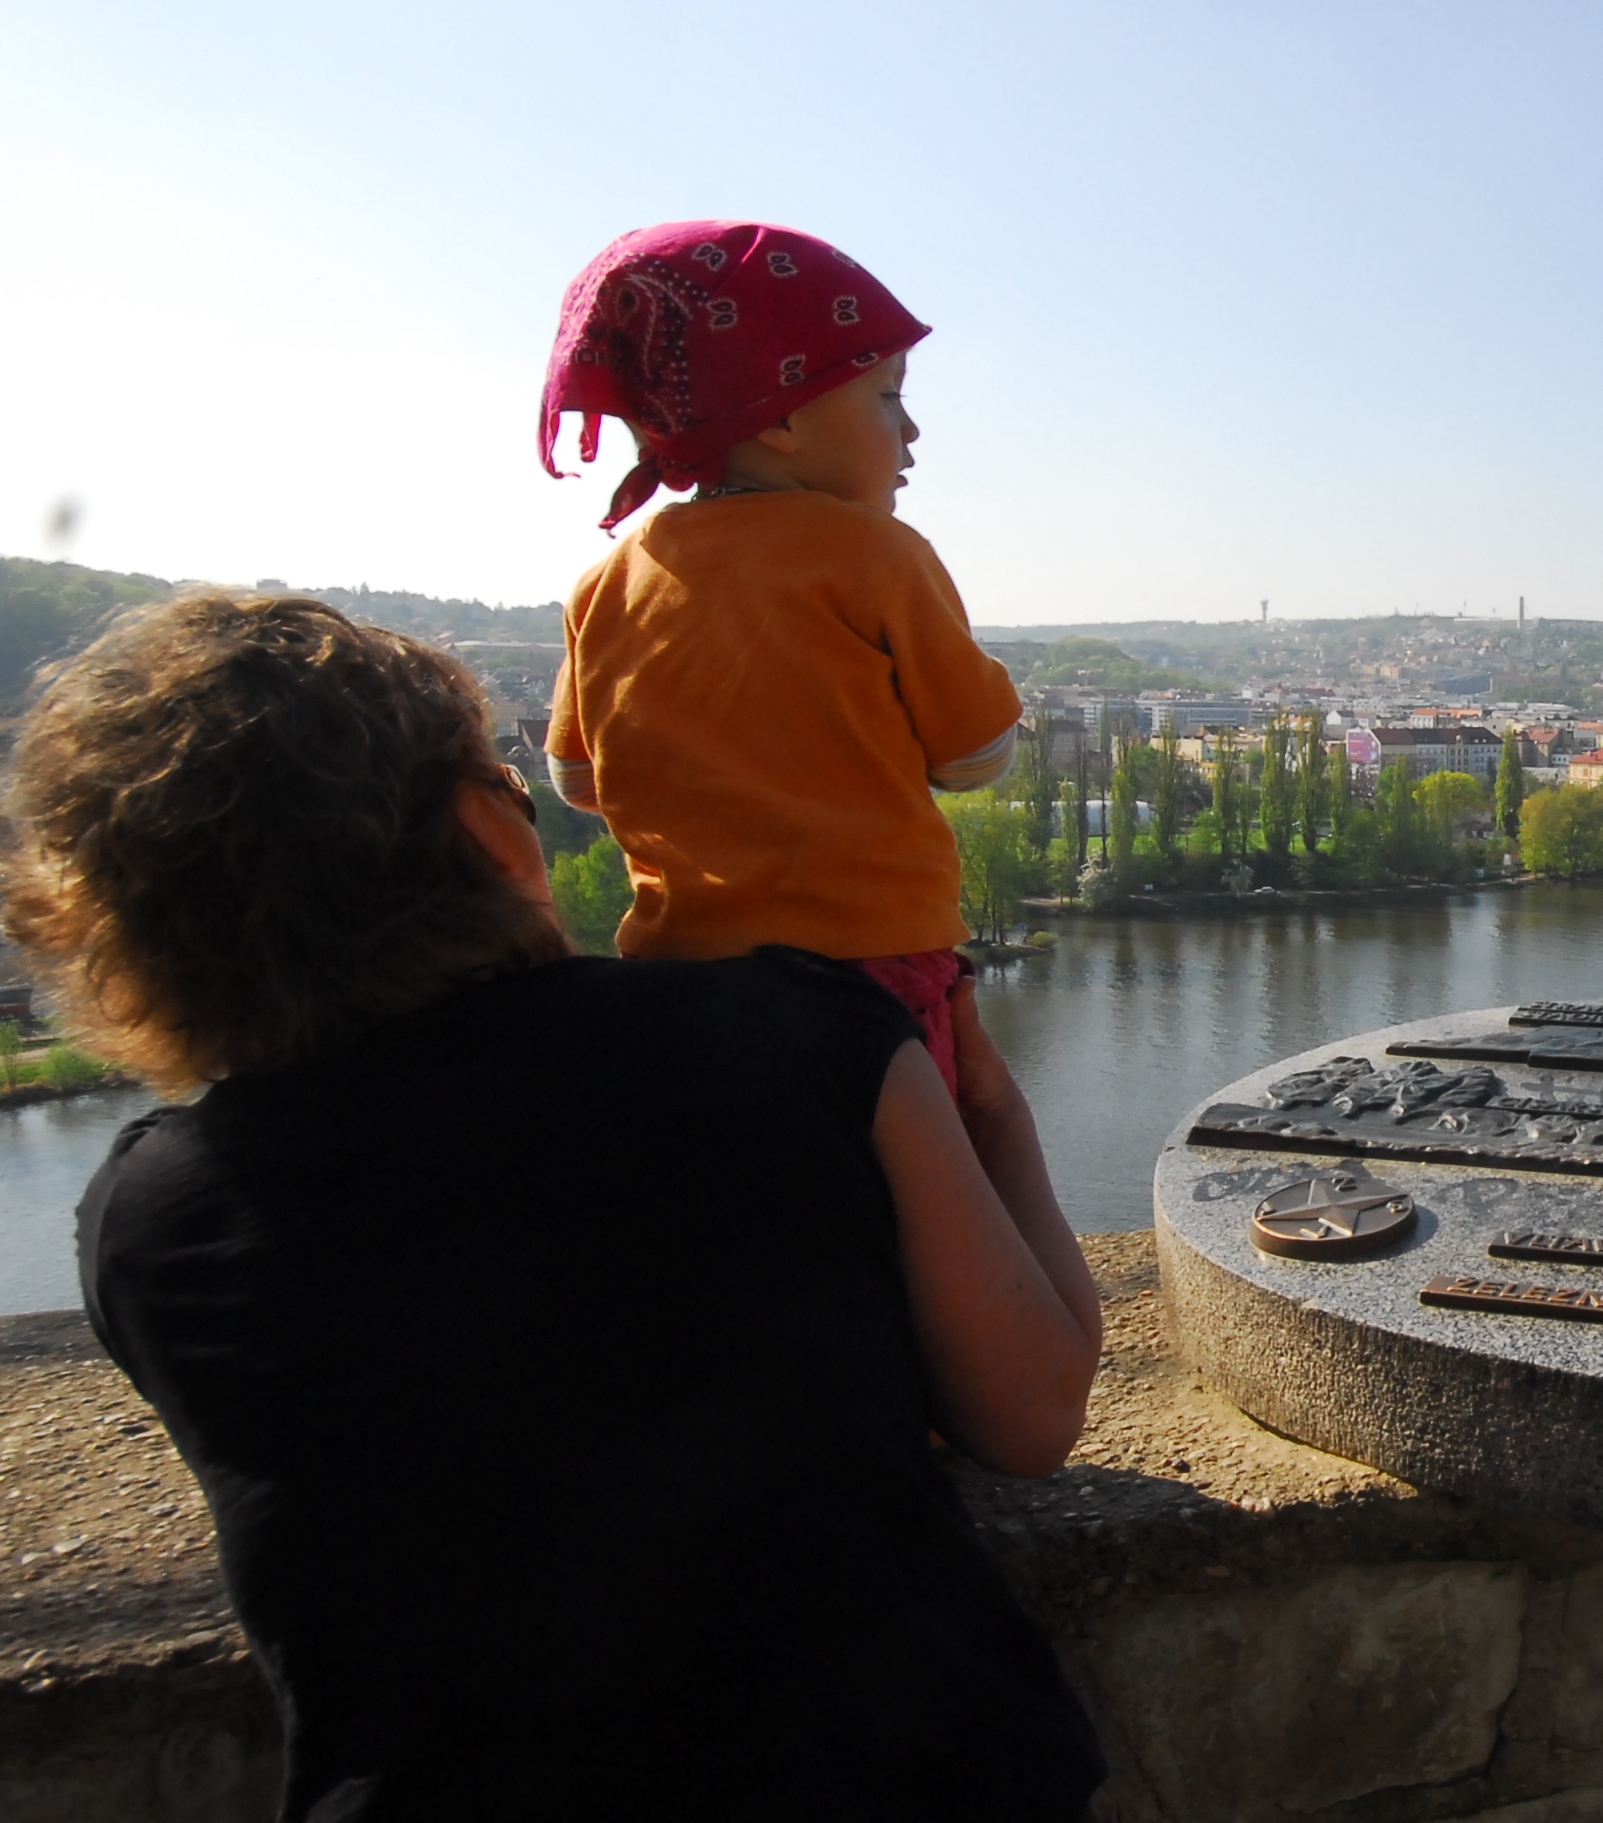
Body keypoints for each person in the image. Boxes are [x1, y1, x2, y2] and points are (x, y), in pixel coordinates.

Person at [17, 593, 1108, 1820]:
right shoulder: (797, 1032)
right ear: (491, 832)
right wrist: (998, 1119)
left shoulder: (155, 1220)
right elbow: (1032, 1411)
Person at [538, 220, 1021, 1088]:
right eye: (887, 396)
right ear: (785, 418)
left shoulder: (607, 580)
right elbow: (975, 757)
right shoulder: (877, 555)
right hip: (871, 973)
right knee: (906, 1166)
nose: (912, 431)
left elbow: (578, 781)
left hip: (679, 984)